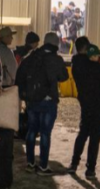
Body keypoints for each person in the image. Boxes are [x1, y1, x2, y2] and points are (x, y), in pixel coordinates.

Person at [17, 32, 69, 175]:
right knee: (45, 133)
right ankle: (43, 166)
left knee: (32, 130)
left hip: (32, 101)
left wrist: (24, 95)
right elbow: (64, 77)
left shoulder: (30, 57)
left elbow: (19, 76)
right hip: (48, 101)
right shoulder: (56, 59)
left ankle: (30, 163)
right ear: (55, 44)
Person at [69, 43, 100, 179]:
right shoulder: (97, 68)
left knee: (82, 134)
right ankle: (90, 169)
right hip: (98, 107)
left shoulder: (79, 67)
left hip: (86, 106)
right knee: (95, 139)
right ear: (93, 56)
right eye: (97, 56)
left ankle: (74, 163)